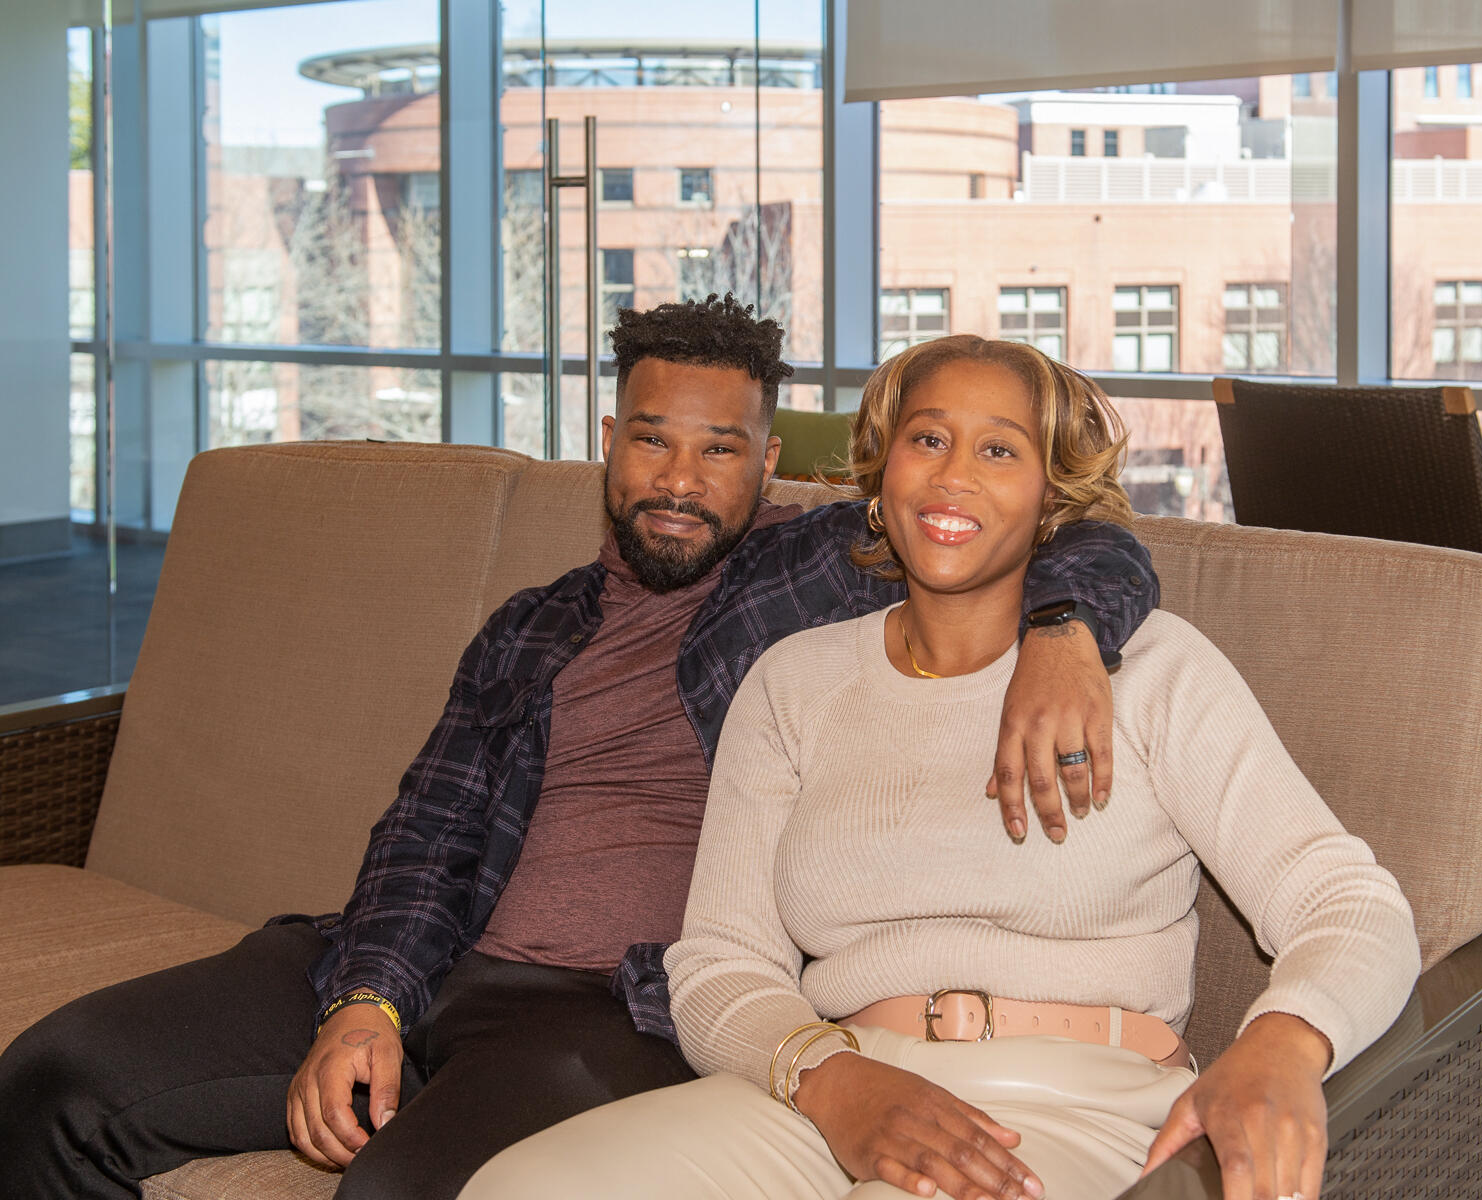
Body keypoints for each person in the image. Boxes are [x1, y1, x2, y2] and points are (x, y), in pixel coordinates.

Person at [0, 300, 1160, 1200]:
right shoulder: (532, 625)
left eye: (720, 452)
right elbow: (428, 830)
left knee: (404, 1188)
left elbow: (1078, 532)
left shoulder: (815, 577)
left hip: (620, 1012)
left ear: (770, 470)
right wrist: (368, 999)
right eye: (653, 440)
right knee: (57, 1079)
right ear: (610, 441)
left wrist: (1062, 635)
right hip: (441, 963)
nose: (680, 480)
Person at [460, 335, 1421, 1200]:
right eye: (927, 441)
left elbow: (1345, 900)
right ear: (880, 477)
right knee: (517, 1186)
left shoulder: (1156, 669)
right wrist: (833, 1080)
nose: (953, 477)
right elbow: (718, 963)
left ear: (1052, 493)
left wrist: (1281, 1044)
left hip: (1075, 1107)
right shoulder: (792, 681)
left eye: (999, 450)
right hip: (827, 1093)